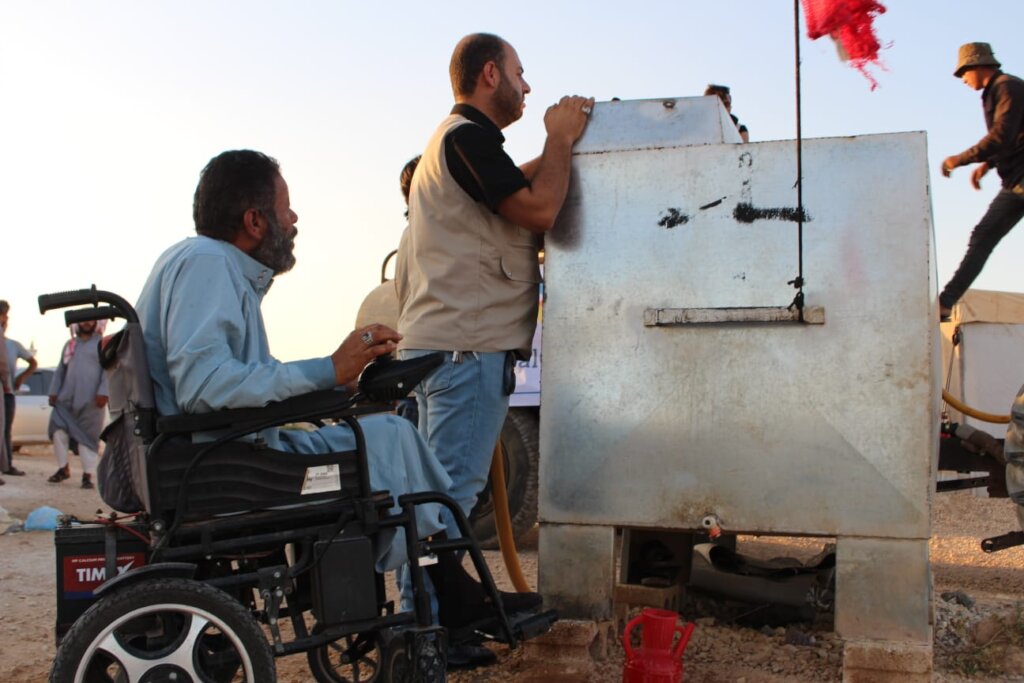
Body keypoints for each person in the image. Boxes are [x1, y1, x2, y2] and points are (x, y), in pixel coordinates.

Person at [133, 149, 539, 646]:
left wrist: (332, 381)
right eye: (285, 208)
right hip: (224, 464)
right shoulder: (209, 264)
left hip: (218, 453)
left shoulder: (200, 263)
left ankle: (449, 588)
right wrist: (328, 369)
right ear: (255, 221)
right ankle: (451, 592)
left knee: (390, 434)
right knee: (389, 437)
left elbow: (229, 381)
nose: (293, 219)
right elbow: (206, 387)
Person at [394, 31, 589, 634]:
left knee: (433, 498)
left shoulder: (452, 143)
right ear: (489, 75)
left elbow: (514, 184)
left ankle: (432, 618)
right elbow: (540, 209)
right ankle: (431, 634)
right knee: (451, 496)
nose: (527, 86)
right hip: (467, 350)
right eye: (519, 72)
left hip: (443, 347)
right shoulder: (468, 138)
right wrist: (560, 137)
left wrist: (554, 155)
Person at [939, 42, 1024, 320]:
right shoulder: (998, 90)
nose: (963, 79)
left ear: (976, 65)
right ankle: (945, 302)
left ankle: (946, 301)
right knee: (983, 236)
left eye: (963, 73)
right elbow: (1014, 136)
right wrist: (988, 164)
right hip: (1015, 182)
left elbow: (1002, 136)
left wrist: (961, 159)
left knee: (983, 237)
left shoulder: (1007, 87)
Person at [47, 319, 109, 488]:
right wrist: (54, 391)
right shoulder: (70, 344)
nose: (86, 323)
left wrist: (104, 392)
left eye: (90, 320)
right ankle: (63, 468)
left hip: (92, 401)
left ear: (96, 323)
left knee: (88, 438)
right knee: (58, 430)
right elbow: (61, 369)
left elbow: (108, 370)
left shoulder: (102, 344)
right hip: (66, 399)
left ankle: (87, 475)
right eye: (83, 320)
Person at [2, 300, 37, 476]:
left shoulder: (12, 345)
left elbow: (33, 363)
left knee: (5, 430)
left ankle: (6, 465)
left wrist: (21, 377)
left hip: (7, 393)